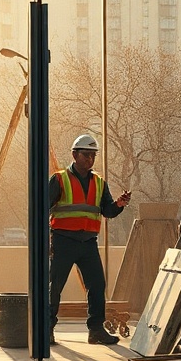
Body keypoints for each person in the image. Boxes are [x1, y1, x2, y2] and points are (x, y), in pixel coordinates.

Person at [48, 133, 131, 345]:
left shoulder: (99, 183)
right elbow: (42, 210)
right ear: (75, 155)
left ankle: (96, 331)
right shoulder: (59, 179)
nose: (90, 159)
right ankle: (46, 329)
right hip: (63, 241)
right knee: (54, 286)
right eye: (86, 154)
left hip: (88, 243)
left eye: (93, 155)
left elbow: (107, 211)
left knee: (97, 285)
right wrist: (46, 243)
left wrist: (119, 205)